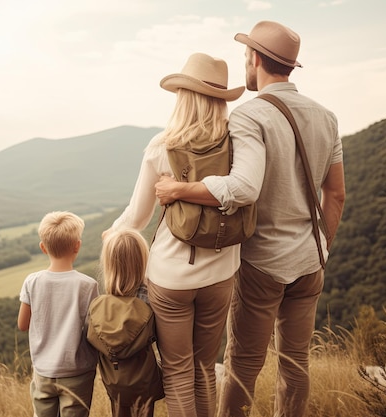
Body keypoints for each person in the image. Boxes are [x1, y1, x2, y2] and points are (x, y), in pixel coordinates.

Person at [155, 21, 346, 417]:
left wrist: (179, 190)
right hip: (311, 260)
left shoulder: (248, 117)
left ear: (255, 58)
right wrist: (323, 245)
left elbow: (242, 187)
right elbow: (337, 193)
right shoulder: (327, 117)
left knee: (243, 364)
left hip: (261, 262)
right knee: (296, 363)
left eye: (246, 56)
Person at [103, 52, 245, 417]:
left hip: (171, 278)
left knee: (179, 372)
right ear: (219, 100)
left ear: (184, 97)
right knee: (204, 369)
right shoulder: (237, 145)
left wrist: (113, 233)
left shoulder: (162, 145)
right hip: (220, 275)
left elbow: (138, 215)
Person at [17, 211, 99, 417]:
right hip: (77, 372)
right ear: (77, 245)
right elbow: (93, 330)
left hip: (43, 372)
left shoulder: (32, 281)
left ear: (43, 247)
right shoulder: (88, 285)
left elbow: (22, 324)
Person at [87, 228, 164, 417]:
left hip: (114, 382)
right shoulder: (150, 299)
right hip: (144, 381)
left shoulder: (102, 306)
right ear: (142, 261)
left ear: (109, 265)